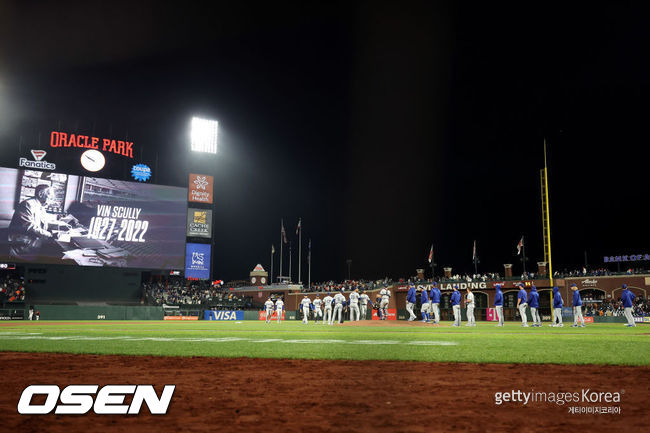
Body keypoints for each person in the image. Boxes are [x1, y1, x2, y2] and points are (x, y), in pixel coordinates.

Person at [8, 184, 71, 259]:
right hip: (22, 245)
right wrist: (51, 235)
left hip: (31, 241)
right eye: (50, 198)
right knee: (56, 254)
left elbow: (43, 223)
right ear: (40, 194)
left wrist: (59, 227)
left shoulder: (40, 206)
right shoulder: (28, 204)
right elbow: (30, 227)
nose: (51, 201)